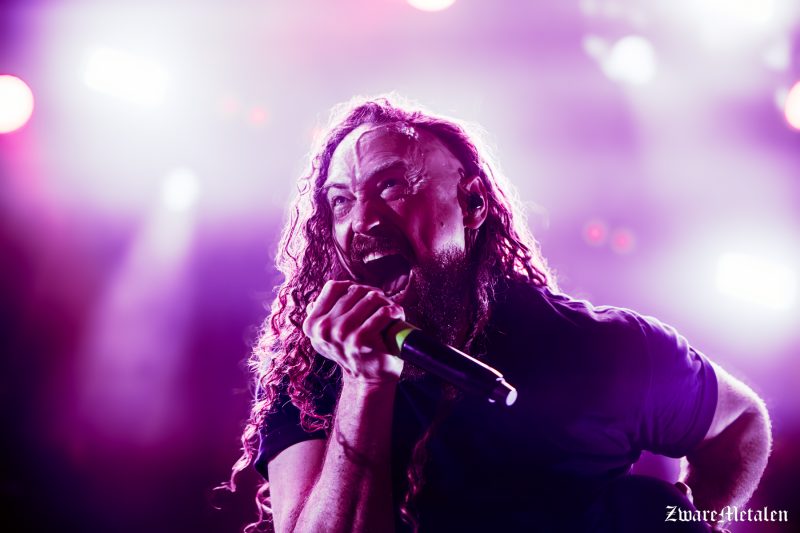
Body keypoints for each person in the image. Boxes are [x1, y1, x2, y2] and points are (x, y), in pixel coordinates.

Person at [231, 95, 771, 532]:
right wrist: (365, 383)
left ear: (473, 204)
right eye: (341, 200)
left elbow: (740, 424)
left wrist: (691, 521)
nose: (363, 219)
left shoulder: (599, 347)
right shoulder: (312, 375)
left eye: (391, 185)